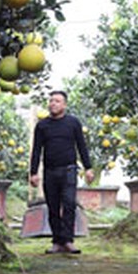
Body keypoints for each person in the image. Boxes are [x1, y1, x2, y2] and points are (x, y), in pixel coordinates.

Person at [29, 90, 94, 254]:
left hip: (69, 171)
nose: (53, 104)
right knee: (52, 207)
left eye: (57, 101)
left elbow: (81, 146)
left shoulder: (73, 123)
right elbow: (36, 150)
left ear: (64, 105)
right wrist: (33, 172)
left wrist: (88, 168)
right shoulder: (42, 125)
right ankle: (57, 241)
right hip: (50, 172)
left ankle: (68, 240)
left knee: (69, 204)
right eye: (51, 101)